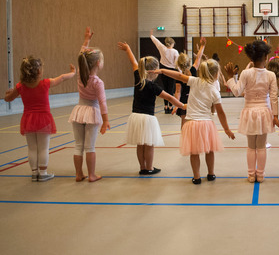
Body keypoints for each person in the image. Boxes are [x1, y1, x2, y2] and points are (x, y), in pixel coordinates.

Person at [152, 59, 235, 184]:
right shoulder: (214, 91)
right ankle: (211, 174)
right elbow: (221, 112)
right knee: (210, 150)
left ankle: (196, 177)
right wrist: (227, 129)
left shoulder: (195, 81)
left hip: (191, 123)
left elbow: (179, 76)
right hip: (206, 124)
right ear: (216, 74)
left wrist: (163, 71)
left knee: (194, 152)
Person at [118, 41, 185, 175]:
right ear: (154, 71)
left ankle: (142, 167)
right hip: (147, 118)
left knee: (140, 144)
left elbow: (133, 62)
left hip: (135, 116)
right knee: (149, 144)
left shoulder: (138, 77)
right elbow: (170, 97)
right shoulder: (153, 86)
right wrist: (182, 105)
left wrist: (128, 49)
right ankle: (149, 167)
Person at [4, 57, 76, 181]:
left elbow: (8, 98)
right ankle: (43, 173)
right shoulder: (45, 83)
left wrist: (7, 94)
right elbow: (63, 77)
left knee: (32, 148)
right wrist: (73, 73)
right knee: (43, 148)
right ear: (38, 71)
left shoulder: (20, 86)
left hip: (28, 119)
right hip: (43, 119)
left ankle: (34, 172)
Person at [225, 40, 279, 183]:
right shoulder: (271, 75)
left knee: (251, 146)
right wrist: (275, 116)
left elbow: (237, 92)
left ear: (250, 58)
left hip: (250, 111)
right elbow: (274, 97)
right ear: (266, 57)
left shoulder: (245, 73)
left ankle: (251, 175)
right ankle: (261, 174)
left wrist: (230, 78)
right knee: (261, 146)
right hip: (264, 112)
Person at [69, 27, 110, 182]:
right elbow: (102, 103)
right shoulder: (97, 82)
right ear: (98, 63)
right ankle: (91, 175)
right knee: (89, 147)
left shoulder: (81, 74)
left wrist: (87, 40)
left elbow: (81, 54)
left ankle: (79, 174)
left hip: (79, 111)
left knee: (78, 145)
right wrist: (105, 120)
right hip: (91, 112)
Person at [172, 37, 206, 128]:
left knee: (184, 124)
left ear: (178, 64)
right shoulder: (193, 70)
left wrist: (176, 104)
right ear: (189, 62)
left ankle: (185, 141)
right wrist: (202, 46)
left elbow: (178, 92)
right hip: (194, 99)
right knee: (194, 123)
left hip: (184, 100)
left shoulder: (179, 76)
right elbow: (198, 58)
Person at [150, 30, 179, 114]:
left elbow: (157, 42)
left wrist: (151, 36)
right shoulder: (175, 51)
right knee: (170, 89)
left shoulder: (162, 48)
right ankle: (170, 106)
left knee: (165, 88)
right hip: (171, 70)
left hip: (163, 70)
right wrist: (180, 71)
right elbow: (177, 62)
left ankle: (165, 106)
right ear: (172, 43)